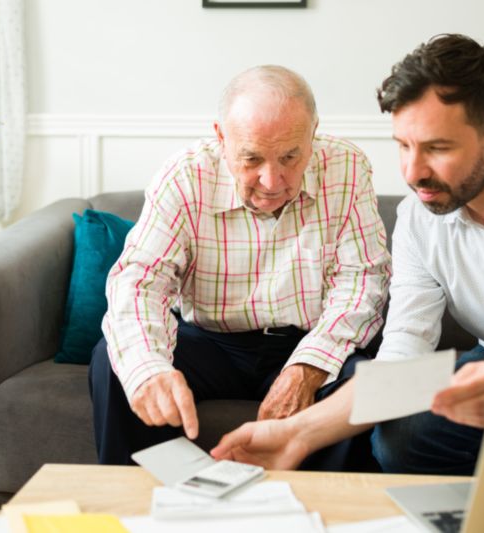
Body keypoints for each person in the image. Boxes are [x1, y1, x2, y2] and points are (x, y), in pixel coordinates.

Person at [210, 34, 484, 475]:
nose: (413, 172)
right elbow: (402, 359)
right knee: (400, 436)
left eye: (437, 148)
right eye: (403, 146)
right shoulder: (417, 219)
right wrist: (297, 434)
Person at [89, 65, 391, 466]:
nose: (272, 181)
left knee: (362, 385)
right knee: (114, 360)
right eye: (252, 159)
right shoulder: (185, 177)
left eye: (290, 156)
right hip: (210, 342)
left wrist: (309, 366)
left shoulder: (347, 168)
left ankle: (319, 505)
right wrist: (148, 368)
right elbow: (141, 281)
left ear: (313, 132)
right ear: (221, 137)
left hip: (307, 340)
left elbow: (362, 281)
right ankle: (148, 499)